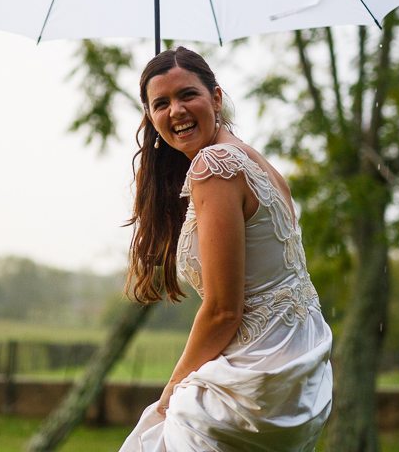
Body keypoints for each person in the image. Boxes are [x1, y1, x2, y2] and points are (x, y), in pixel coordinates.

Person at [119, 47, 333, 452]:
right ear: (150, 118)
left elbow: (223, 311)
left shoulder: (214, 166)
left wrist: (172, 389)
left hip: (255, 381)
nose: (176, 111)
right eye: (161, 103)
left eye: (188, 95)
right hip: (299, 378)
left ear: (216, 98)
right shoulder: (258, 163)